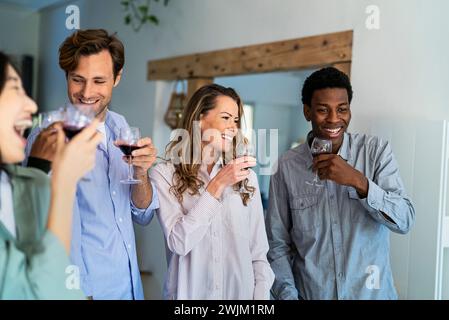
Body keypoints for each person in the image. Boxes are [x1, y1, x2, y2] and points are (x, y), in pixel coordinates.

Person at [24, 29, 159, 300]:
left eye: (99, 80)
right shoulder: (49, 136)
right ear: (66, 77)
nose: (87, 92)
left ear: (117, 78)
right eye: (78, 80)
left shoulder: (120, 126)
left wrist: (141, 174)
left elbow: (142, 215)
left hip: (129, 288)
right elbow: (41, 226)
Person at [266, 67, 415, 300]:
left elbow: (404, 220)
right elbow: (277, 246)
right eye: (323, 110)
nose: (334, 119)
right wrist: (288, 297)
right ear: (307, 111)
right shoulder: (285, 167)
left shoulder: (376, 153)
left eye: (342, 109)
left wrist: (357, 180)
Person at [150, 84, 274, 300]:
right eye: (225, 117)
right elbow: (179, 242)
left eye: (235, 120)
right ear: (199, 119)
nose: (233, 128)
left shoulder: (246, 178)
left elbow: (258, 253)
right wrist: (216, 185)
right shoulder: (164, 175)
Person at [0, 51, 101, 299]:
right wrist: (64, 181)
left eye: (99, 80)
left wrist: (39, 167)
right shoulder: (39, 138)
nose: (32, 105)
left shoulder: (12, 179)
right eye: (15, 89)